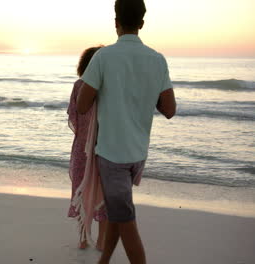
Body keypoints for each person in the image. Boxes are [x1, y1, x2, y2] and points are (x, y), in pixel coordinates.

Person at [76, 0, 176, 263]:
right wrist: (142, 92)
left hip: (112, 154)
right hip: (138, 154)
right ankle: (103, 260)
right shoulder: (157, 59)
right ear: (142, 24)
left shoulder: (104, 56)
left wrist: (108, 88)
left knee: (124, 216)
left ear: (116, 22)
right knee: (116, 210)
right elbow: (169, 109)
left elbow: (82, 104)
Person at [67, 46, 107, 251]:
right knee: (103, 194)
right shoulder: (108, 86)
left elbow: (73, 118)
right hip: (105, 148)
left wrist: (83, 134)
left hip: (82, 148)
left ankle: (83, 239)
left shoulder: (79, 85)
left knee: (82, 190)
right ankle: (101, 241)